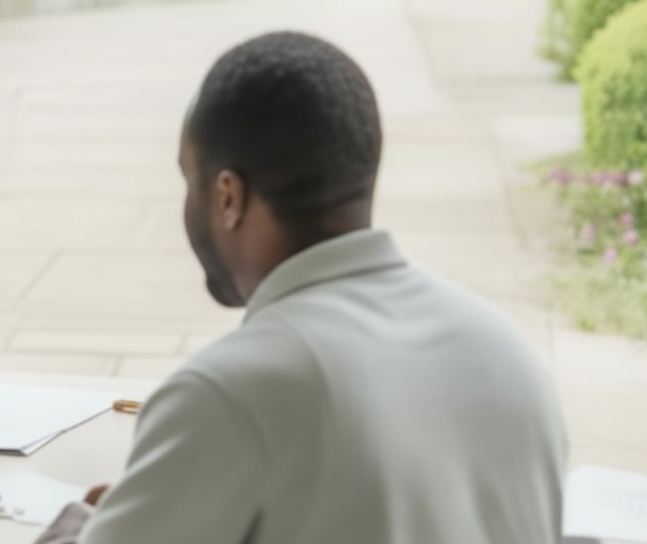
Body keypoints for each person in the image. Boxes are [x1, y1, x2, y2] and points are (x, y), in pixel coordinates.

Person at [34, 32, 568, 544]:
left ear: (227, 196)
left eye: (189, 179)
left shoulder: (227, 394)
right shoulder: (507, 354)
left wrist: (81, 526)